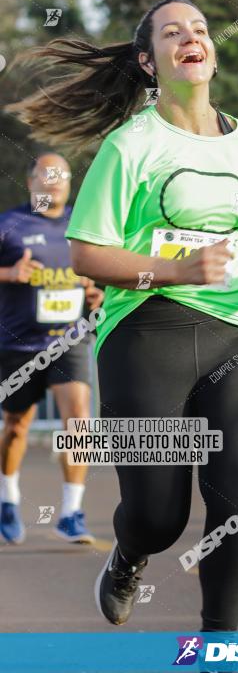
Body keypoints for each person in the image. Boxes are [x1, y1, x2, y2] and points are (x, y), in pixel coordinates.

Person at [7, 0, 238, 635]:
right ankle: (128, 556)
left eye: (200, 29)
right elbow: (86, 252)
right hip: (145, 333)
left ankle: (217, 644)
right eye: (172, 33)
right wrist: (173, 270)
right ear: (150, 62)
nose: (191, 38)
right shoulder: (130, 146)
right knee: (158, 516)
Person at [0, 153, 103, 544]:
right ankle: (8, 499)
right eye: (47, 173)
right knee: (15, 426)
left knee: (78, 420)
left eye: (62, 174)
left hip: (69, 339)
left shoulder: (83, 225)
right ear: (31, 182)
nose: (55, 180)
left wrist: (95, 292)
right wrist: (9, 273)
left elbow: (100, 272)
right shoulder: (9, 225)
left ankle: (72, 513)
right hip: (19, 342)